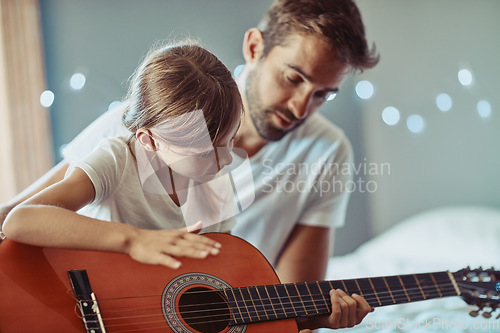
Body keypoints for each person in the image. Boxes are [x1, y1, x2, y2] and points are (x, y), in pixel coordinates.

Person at [1, 0, 379, 330]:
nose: (300, 108)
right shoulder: (132, 139)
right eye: (293, 77)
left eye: (323, 95)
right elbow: (19, 217)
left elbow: (222, 287)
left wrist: (314, 318)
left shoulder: (224, 183)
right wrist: (134, 241)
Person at [3, 41, 243, 268]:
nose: (227, 159)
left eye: (231, 140)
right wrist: (134, 240)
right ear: (149, 141)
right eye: (204, 154)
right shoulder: (117, 160)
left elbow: (221, 264)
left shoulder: (217, 186)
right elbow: (20, 219)